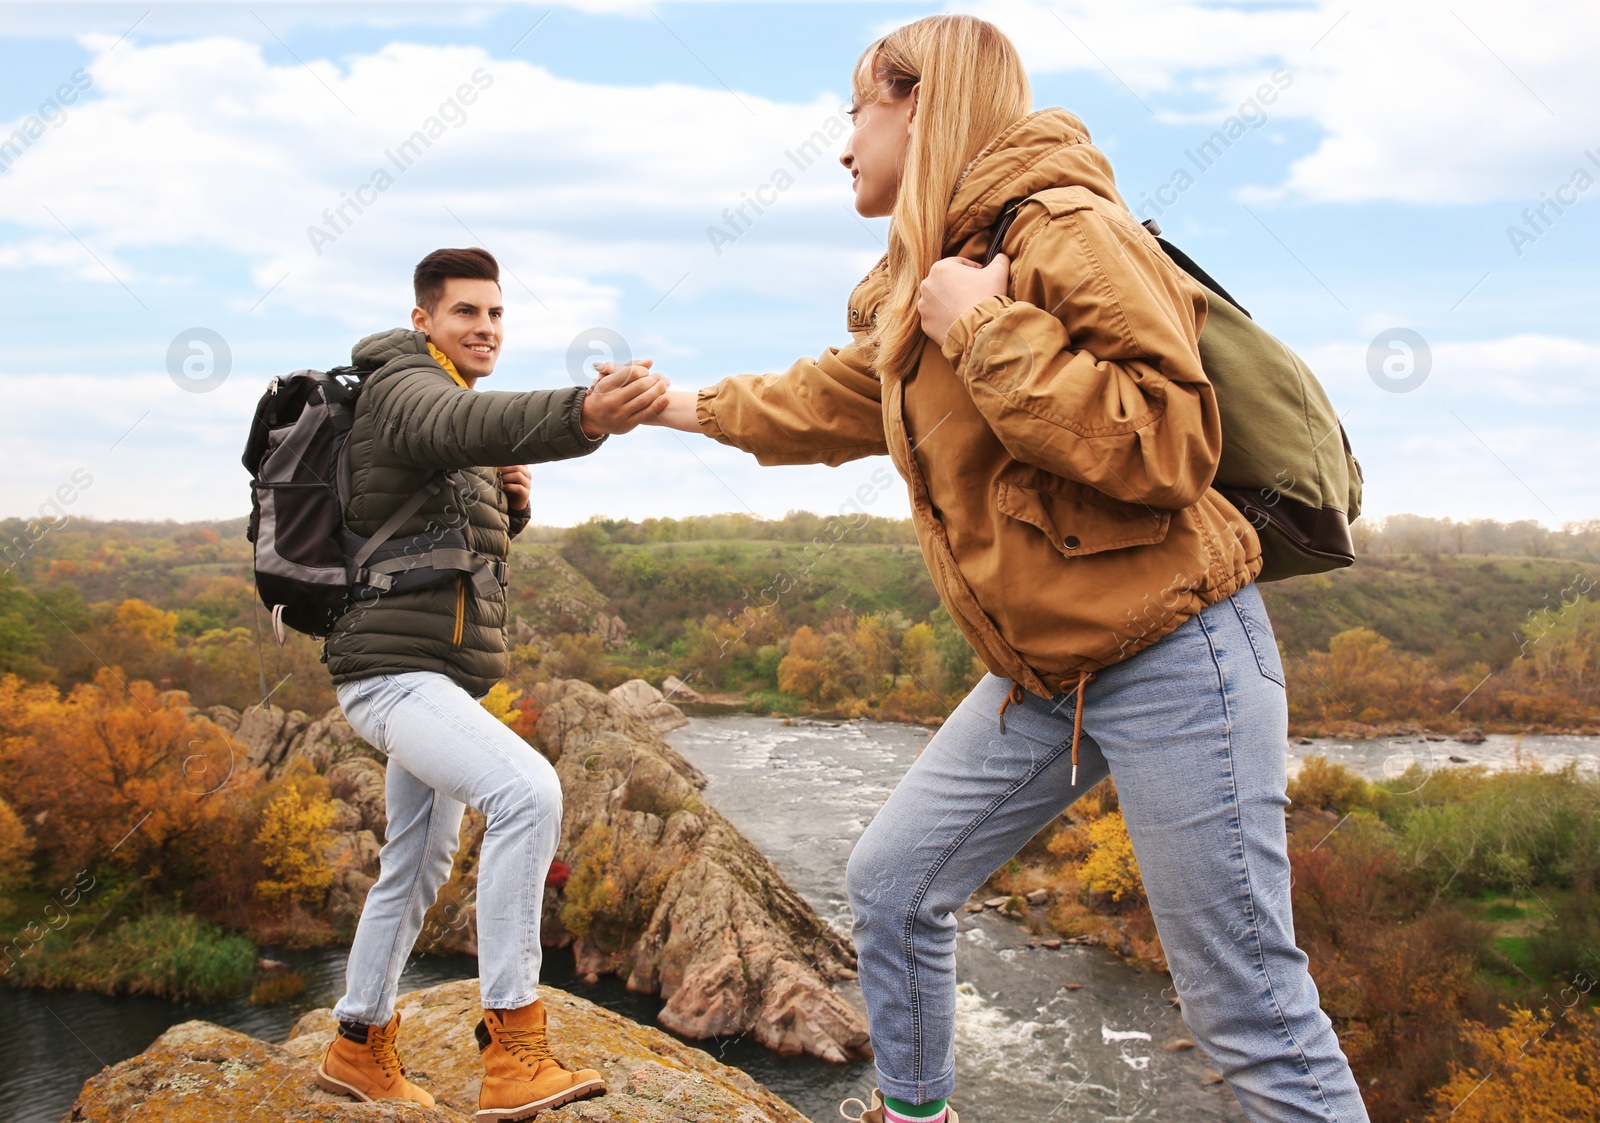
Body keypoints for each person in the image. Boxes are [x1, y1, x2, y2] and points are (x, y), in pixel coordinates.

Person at [642, 16, 1369, 1123]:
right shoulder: (930, 273)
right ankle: (915, 1112)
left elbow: (1171, 441)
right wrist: (669, 407)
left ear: (919, 105)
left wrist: (988, 333)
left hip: (1182, 654)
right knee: (892, 886)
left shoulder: (1066, 229)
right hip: (1048, 675)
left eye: (855, 111)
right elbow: (826, 399)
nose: (841, 145)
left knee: (1246, 1008)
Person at [314, 246, 667, 1120]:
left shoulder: (446, 403)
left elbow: (443, 537)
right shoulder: (404, 386)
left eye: (497, 313)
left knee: (417, 861)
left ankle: (357, 1042)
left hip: (427, 678)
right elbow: (460, 429)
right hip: (392, 677)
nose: (485, 327)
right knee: (526, 791)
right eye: (466, 311)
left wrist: (510, 506)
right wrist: (584, 412)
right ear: (424, 318)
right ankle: (514, 1045)